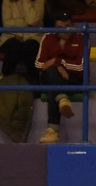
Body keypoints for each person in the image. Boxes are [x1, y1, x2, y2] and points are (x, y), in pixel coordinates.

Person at [34, 16, 83, 145]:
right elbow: (39, 65)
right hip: (53, 77)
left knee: (52, 87)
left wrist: (57, 62)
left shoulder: (82, 37)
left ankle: (52, 131)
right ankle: (62, 99)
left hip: (73, 78)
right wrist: (58, 67)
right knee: (51, 75)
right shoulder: (48, 37)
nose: (64, 31)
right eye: (60, 28)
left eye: (67, 26)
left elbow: (80, 67)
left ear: (73, 26)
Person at [0, 0, 44, 80]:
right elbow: (7, 24)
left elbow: (33, 20)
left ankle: (33, 85)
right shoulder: (7, 0)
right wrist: (26, 23)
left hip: (33, 37)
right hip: (10, 37)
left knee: (30, 47)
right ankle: (6, 80)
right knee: (14, 46)